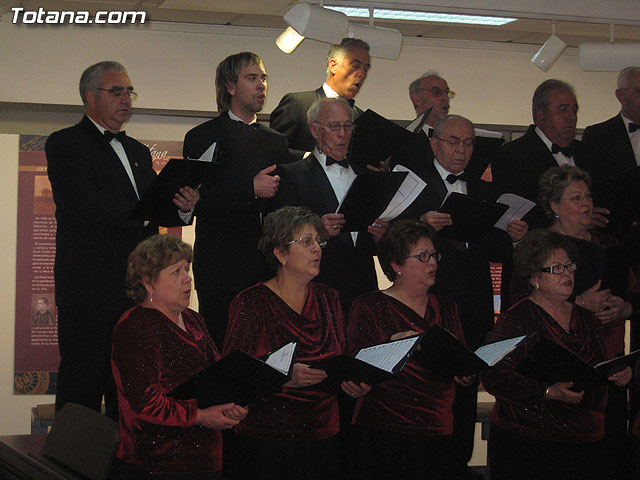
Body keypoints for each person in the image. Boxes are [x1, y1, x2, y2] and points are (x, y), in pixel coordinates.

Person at [46, 60, 199, 420]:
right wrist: (147, 207)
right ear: (90, 96)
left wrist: (181, 207)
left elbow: (152, 214)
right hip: (90, 289)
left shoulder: (138, 152)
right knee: (82, 384)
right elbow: (85, 206)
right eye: (117, 91)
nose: (126, 99)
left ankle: (127, 461)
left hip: (135, 291)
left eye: (129, 91)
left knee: (131, 385)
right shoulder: (65, 144)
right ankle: (67, 469)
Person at [400, 114, 526, 480]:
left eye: (469, 142)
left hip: (474, 307)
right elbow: (392, 245)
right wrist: (421, 224)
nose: (461, 149)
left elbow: (497, 251)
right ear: (434, 143)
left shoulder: (484, 190)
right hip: (429, 307)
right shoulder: (414, 188)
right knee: (428, 391)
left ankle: (458, 467)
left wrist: (516, 236)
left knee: (466, 395)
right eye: (453, 141)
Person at [222, 206, 370, 480]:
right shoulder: (251, 302)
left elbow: (341, 358)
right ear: (280, 253)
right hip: (266, 438)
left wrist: (354, 381)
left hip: (323, 436)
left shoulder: (329, 298)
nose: (317, 249)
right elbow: (232, 375)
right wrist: (284, 377)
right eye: (306, 241)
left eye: (318, 241)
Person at [482, 230, 632, 480]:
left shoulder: (587, 319)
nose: (567, 274)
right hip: (530, 444)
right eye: (556, 269)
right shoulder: (517, 319)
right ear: (534, 277)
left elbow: (600, 366)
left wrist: (620, 373)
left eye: (569, 267)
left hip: (585, 444)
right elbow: (494, 378)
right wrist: (547, 392)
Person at [111, 234, 247, 479]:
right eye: (176, 272)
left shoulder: (194, 319)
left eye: (187, 269)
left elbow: (218, 377)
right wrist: (203, 416)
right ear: (148, 283)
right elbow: (144, 404)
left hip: (207, 459)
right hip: (157, 464)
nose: (188, 279)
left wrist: (232, 406)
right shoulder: (135, 326)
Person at [347, 219, 472, 480]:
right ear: (397, 266)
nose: (433, 263)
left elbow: (460, 358)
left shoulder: (447, 306)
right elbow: (356, 365)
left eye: (434, 255)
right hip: (386, 429)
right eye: (422, 257)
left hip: (438, 427)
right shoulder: (370, 304)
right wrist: (394, 344)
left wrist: (467, 372)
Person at [182, 52, 288, 348]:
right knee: (221, 349)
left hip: (265, 267)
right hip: (219, 266)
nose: (261, 86)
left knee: (265, 351)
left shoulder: (276, 141)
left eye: (263, 78)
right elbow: (195, 200)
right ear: (230, 86)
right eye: (252, 78)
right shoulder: (202, 136)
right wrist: (248, 189)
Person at [535, 165, 634, 477]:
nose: (587, 204)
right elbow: (523, 306)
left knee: (608, 460)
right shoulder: (537, 248)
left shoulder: (610, 245)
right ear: (553, 206)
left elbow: (634, 292)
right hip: (562, 369)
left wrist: (626, 307)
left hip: (610, 367)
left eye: (588, 197)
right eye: (576, 198)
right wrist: (578, 302)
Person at [270, 97, 386, 317]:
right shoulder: (293, 175)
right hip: (316, 293)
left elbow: (367, 243)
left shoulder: (366, 175)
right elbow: (278, 239)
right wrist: (318, 234)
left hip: (364, 291)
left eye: (347, 126)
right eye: (334, 127)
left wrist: (381, 236)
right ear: (315, 130)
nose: (342, 134)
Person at [492, 79, 594, 209]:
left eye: (574, 110)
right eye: (564, 109)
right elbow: (517, 212)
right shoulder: (512, 154)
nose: (572, 116)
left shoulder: (586, 151)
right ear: (540, 115)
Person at [270, 38, 371, 159]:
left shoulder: (361, 117)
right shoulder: (297, 104)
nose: (362, 74)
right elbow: (273, 151)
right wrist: (309, 158)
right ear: (333, 66)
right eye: (355, 66)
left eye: (366, 69)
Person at [582, 66, 640, 239]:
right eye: (639, 91)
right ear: (620, 96)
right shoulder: (598, 135)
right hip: (615, 233)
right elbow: (590, 183)